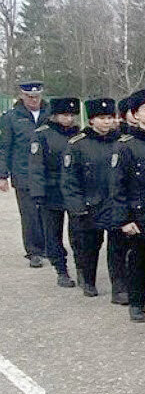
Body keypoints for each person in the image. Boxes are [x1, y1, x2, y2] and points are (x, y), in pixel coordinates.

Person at [61, 98, 127, 301]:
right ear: (91, 120)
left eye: (109, 117)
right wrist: (77, 206)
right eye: (101, 118)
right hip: (90, 205)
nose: (107, 122)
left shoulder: (121, 142)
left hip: (116, 204)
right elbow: (70, 180)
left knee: (118, 249)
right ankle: (88, 279)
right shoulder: (77, 145)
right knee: (89, 247)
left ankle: (119, 288)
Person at [111, 89, 145, 322]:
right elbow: (117, 186)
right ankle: (137, 303)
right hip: (138, 212)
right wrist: (124, 219)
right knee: (138, 262)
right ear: (135, 114)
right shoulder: (125, 146)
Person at [28, 96, 81, 287]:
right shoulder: (42, 134)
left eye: (72, 115)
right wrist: (38, 192)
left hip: (75, 191)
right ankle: (61, 270)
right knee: (53, 234)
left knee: (79, 233)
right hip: (51, 190)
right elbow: (36, 166)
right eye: (64, 115)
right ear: (55, 115)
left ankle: (83, 269)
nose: (69, 119)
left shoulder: (79, 134)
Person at [1, 80, 48, 266]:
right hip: (23, 171)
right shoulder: (11, 117)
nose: (33, 100)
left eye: (37, 96)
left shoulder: (50, 113)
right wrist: (2, 175)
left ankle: (48, 247)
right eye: (29, 96)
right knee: (29, 214)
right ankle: (34, 251)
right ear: (22, 96)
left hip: (47, 172)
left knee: (48, 212)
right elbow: (4, 147)